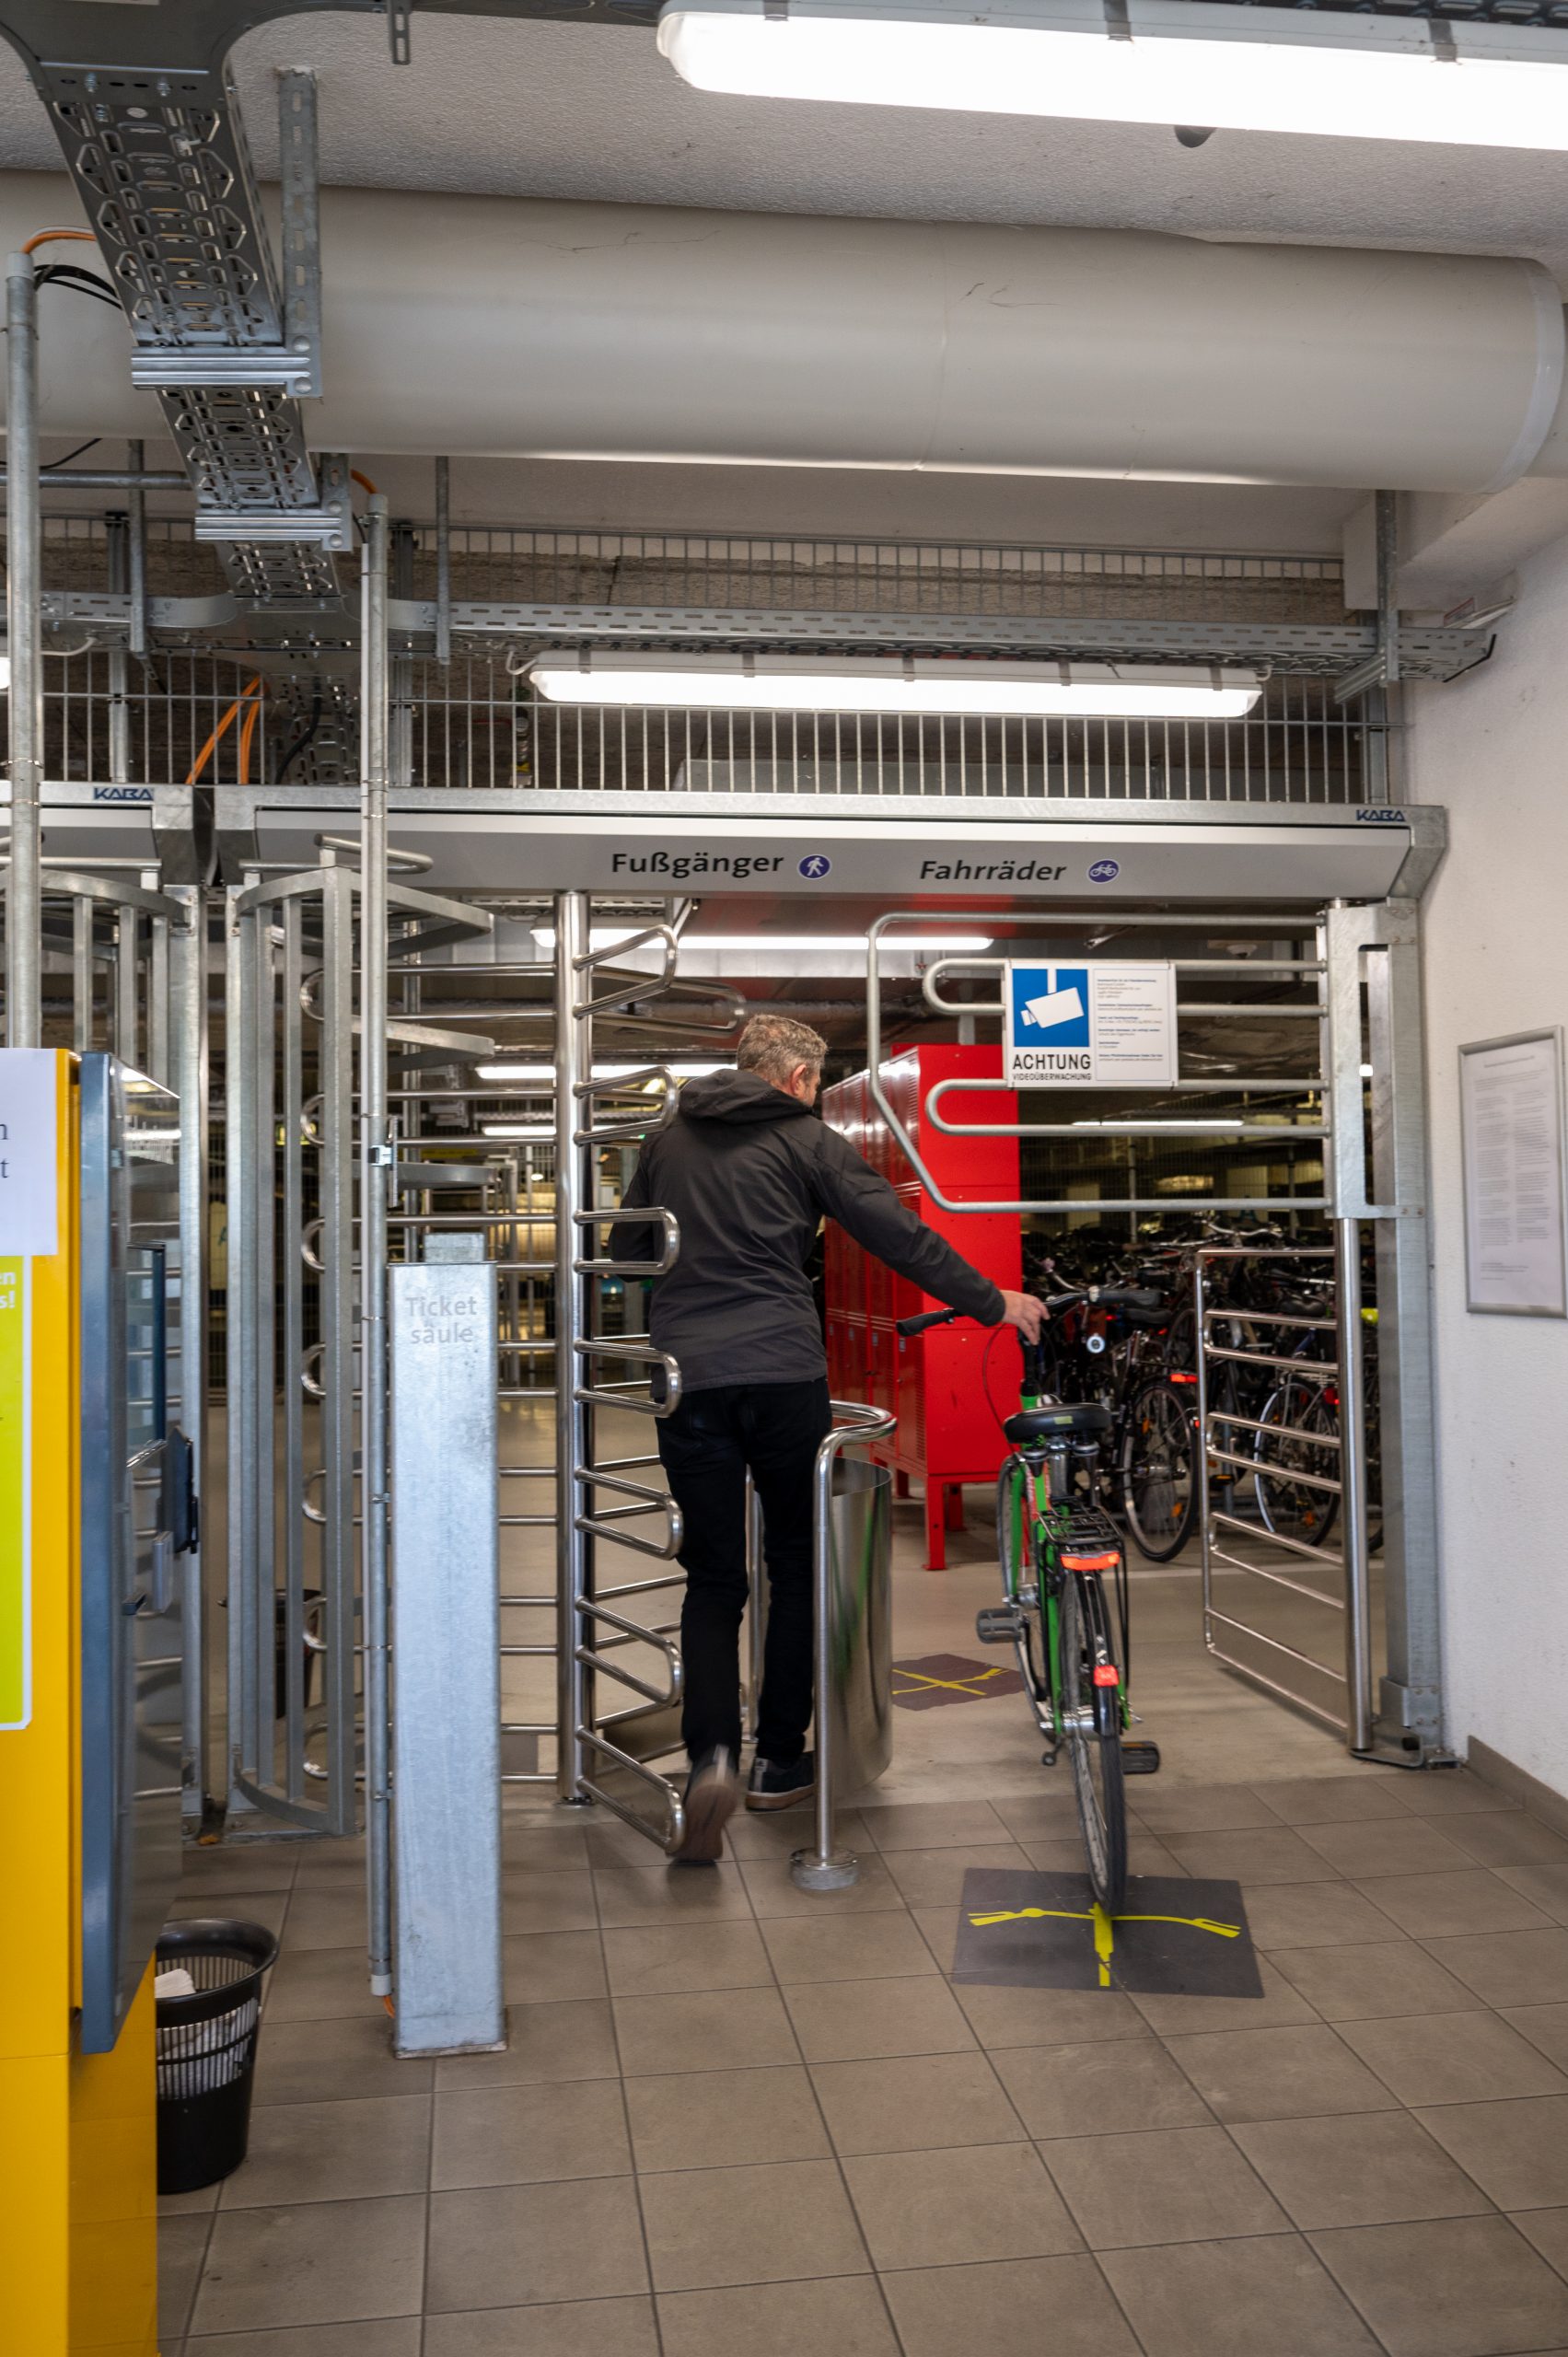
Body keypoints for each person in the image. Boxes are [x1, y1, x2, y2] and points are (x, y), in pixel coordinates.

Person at [616, 1013, 1044, 1862]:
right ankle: (779, 1760)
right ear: (802, 1078)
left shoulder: (665, 1141)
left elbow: (627, 1250)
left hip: (688, 1377)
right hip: (780, 1373)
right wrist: (995, 1300)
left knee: (711, 1578)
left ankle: (709, 1757)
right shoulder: (805, 1138)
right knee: (794, 1563)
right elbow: (898, 1236)